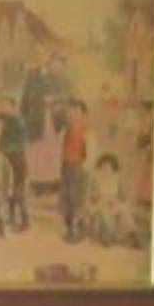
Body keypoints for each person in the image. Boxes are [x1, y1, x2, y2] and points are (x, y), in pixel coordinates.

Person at [57, 98, 91, 244]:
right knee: (67, 199)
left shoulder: (86, 130)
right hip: (66, 166)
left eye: (76, 111)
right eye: (70, 112)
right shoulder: (66, 130)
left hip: (79, 167)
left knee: (78, 200)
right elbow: (61, 150)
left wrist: (84, 168)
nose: (72, 114)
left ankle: (79, 230)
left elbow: (90, 152)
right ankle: (70, 228)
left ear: (83, 113)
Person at [0, 105, 27, 233]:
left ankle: (24, 221)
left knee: (17, 193)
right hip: (3, 170)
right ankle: (10, 219)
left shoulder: (14, 136)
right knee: (7, 194)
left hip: (16, 167)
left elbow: (16, 157)